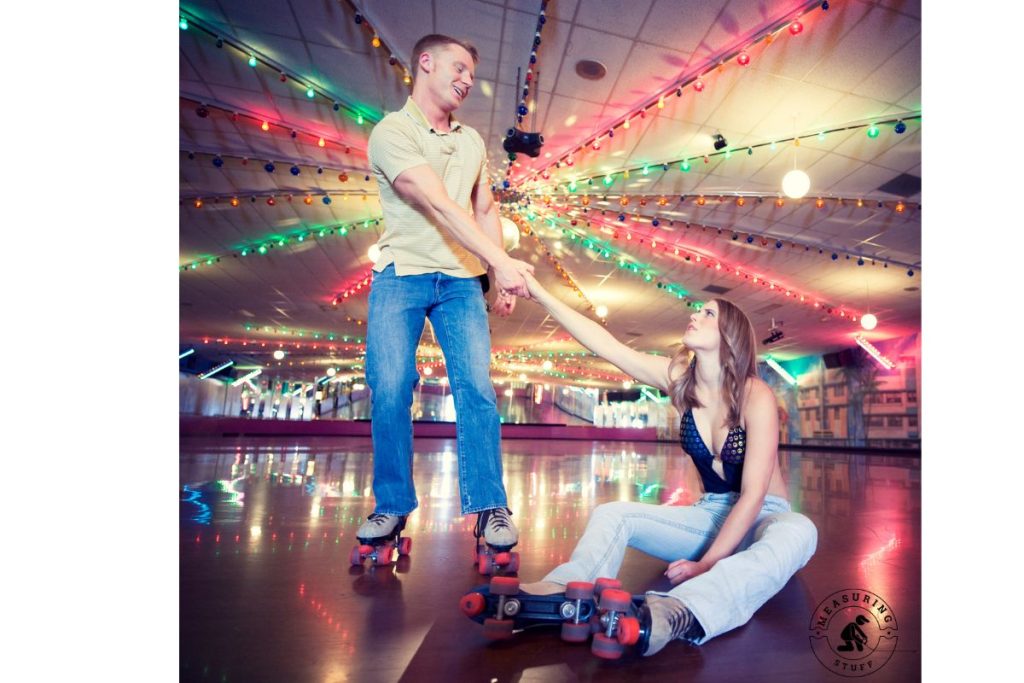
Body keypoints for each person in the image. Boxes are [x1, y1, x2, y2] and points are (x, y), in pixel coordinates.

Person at [518, 273, 818, 656]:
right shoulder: (680, 382)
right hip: (712, 514)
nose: (695, 315)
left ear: (730, 335)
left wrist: (707, 564)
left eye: (708, 313)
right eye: (698, 310)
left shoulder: (754, 393)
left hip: (764, 516)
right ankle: (568, 590)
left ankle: (681, 609)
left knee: (801, 531)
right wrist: (539, 293)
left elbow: (754, 494)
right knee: (613, 514)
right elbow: (606, 345)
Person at [357, 34, 535, 557]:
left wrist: (495, 272)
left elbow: (484, 209)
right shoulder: (392, 132)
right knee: (390, 385)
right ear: (426, 63)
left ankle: (490, 505)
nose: (467, 80)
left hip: (461, 281)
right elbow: (436, 202)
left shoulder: (473, 141)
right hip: (401, 273)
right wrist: (501, 262)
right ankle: (392, 505)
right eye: (458, 68)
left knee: (476, 388)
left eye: (472, 74)